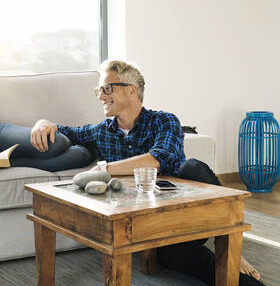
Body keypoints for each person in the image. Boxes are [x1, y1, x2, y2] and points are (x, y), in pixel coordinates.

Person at [30, 59, 264, 286]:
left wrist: (105, 169)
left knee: (191, 166)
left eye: (107, 89)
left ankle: (232, 247)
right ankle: (228, 263)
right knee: (179, 258)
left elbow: (155, 160)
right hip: (157, 224)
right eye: (99, 90)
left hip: (192, 209)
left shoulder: (165, 121)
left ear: (132, 90)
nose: (101, 96)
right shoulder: (101, 131)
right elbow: (66, 131)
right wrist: (42, 122)